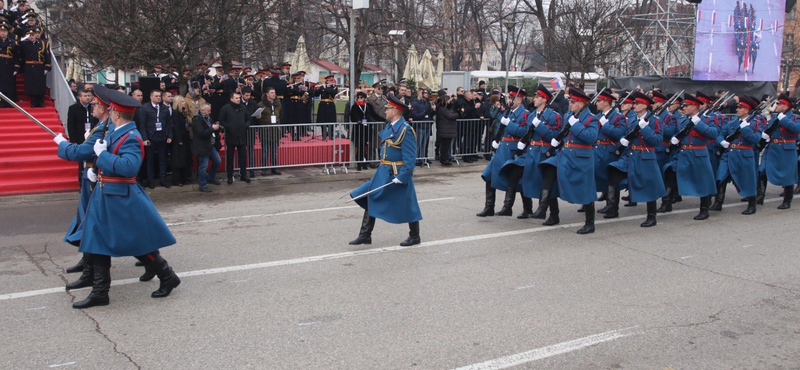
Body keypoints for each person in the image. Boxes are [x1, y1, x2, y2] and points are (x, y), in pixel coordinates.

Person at [73, 88, 180, 309]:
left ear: (118, 114)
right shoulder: (116, 132)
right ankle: (101, 291)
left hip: (121, 195)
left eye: (112, 110)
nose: (109, 113)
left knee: (136, 241)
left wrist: (102, 156)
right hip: (106, 194)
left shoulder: (131, 136)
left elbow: (128, 167)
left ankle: (167, 275)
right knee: (96, 240)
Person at [349, 94, 422, 246]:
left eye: (388, 109)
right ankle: (365, 234)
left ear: (395, 111)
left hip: (397, 173)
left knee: (408, 203)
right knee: (369, 196)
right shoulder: (390, 126)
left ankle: (415, 236)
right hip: (384, 171)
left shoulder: (405, 130)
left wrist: (403, 176)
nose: (386, 111)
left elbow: (410, 157)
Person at [54, 84, 111, 279]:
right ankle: (88, 264)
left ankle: (155, 264)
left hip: (96, 177)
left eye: (95, 103)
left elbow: (81, 152)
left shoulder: (103, 128)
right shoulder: (100, 127)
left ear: (103, 108)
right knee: (86, 220)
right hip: (90, 175)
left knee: (95, 222)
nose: (92, 106)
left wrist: (63, 145)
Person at [539, 86, 598, 234]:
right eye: (570, 101)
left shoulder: (592, 118)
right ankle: (551, 213)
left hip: (581, 157)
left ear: (581, 104)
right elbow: (563, 134)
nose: (570, 104)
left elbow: (591, 137)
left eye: (573, 102)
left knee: (587, 190)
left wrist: (576, 125)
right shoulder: (568, 116)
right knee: (548, 173)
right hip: (564, 155)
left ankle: (590, 223)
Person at [605, 92, 666, 227]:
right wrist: (623, 141)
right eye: (634, 103)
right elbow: (627, 135)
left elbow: (657, 140)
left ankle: (651, 216)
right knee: (614, 174)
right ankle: (612, 207)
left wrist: (645, 128)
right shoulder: (632, 120)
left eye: (637, 103)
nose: (634, 105)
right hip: (630, 155)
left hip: (645, 157)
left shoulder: (655, 120)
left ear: (645, 105)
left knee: (649, 186)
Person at [510, 84, 563, 223]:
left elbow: (554, 136)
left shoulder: (554, 116)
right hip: (531, 151)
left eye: (538, 97)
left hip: (545, 152)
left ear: (545, 99)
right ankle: (528, 209)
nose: (535, 99)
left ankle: (553, 214)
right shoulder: (532, 115)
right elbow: (527, 132)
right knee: (525, 179)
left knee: (547, 183)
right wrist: (522, 144)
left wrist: (539, 125)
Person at [663, 93, 718, 220]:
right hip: (684, 153)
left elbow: (713, 134)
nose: (684, 108)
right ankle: (668, 200)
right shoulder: (682, 120)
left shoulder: (705, 119)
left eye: (687, 106)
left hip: (699, 153)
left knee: (703, 181)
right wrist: (674, 139)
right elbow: (677, 133)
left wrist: (698, 123)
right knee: (671, 171)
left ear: (694, 107)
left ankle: (704, 209)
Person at [477, 86, 528, 217]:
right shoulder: (509, 112)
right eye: (509, 97)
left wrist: (509, 124)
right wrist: (498, 140)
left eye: (512, 97)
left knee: (518, 180)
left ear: (520, 100)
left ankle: (523, 208)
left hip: (513, 149)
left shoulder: (524, 114)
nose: (509, 100)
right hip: (502, 148)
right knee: (489, 175)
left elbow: (524, 132)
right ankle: (489, 207)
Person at [713, 95, 762, 215]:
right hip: (729, 154)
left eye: (740, 108)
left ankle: (752, 204)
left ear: (746, 110)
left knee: (747, 180)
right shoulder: (733, 122)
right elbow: (720, 134)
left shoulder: (755, 123)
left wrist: (745, 128)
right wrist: (722, 142)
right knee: (721, 177)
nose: (736, 110)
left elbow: (755, 140)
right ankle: (718, 202)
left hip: (745, 155)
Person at [758, 93, 800, 209]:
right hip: (772, 148)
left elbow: (796, 129)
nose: (776, 105)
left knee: (788, 176)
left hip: (786, 149)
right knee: (762, 170)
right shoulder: (776, 117)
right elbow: (769, 129)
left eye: (778, 104)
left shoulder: (795, 118)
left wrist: (784, 119)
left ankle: (787, 200)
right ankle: (760, 196)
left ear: (785, 106)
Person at [137, 89, 172, 188]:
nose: (158, 98)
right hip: (150, 138)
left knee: (162, 160)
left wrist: (169, 136)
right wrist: (144, 138)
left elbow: (169, 123)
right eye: (156, 96)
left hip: (162, 138)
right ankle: (150, 180)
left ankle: (163, 180)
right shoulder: (145, 108)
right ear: (151, 97)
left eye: (159, 96)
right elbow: (142, 125)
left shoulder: (164, 108)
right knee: (150, 160)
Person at [65, 88, 99, 184]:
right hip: (80, 137)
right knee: (81, 161)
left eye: (89, 96)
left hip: (92, 137)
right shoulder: (73, 109)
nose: (88, 98)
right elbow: (71, 125)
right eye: (85, 96)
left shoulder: (93, 108)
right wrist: (73, 140)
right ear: (79, 97)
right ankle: (82, 180)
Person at [219, 91, 251, 183]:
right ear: (231, 99)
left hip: (241, 135)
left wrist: (246, 125)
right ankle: (230, 175)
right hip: (231, 135)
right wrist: (228, 127)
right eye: (236, 98)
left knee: (243, 157)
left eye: (239, 98)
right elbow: (221, 120)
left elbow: (248, 119)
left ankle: (243, 175)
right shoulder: (226, 108)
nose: (238, 100)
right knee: (230, 157)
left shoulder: (243, 108)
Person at [191, 103, 221, 192]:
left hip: (210, 144)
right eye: (208, 110)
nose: (210, 112)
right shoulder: (197, 120)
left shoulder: (208, 118)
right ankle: (202, 184)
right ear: (202, 111)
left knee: (217, 161)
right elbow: (201, 133)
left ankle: (210, 177)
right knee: (203, 166)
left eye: (210, 110)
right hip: (202, 146)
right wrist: (212, 128)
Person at [350, 91, 382, 171]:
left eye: (361, 98)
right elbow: (352, 116)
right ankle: (359, 164)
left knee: (365, 147)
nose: (359, 99)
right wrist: (358, 120)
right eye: (358, 97)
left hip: (366, 129)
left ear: (364, 98)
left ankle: (364, 163)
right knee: (359, 147)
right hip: (358, 129)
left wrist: (383, 119)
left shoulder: (368, 106)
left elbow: (374, 115)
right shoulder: (354, 106)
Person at [19, 28, 50, 108]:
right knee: (31, 85)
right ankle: (33, 101)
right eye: (29, 35)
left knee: (40, 84)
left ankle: (40, 101)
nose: (31, 37)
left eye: (33, 35)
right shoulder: (24, 44)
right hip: (29, 66)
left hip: (39, 66)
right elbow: (18, 50)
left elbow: (46, 55)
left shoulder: (42, 44)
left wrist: (47, 66)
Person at [256, 87, 284, 175]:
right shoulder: (261, 105)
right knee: (265, 150)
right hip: (265, 131)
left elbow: (281, 115)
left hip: (275, 130)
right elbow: (258, 118)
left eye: (274, 92)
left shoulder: (278, 104)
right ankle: (264, 169)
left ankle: (274, 168)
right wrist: (259, 118)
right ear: (267, 94)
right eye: (271, 93)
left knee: (274, 151)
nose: (273, 94)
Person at [169, 92, 192, 186]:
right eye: (182, 101)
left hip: (185, 138)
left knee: (184, 159)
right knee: (178, 160)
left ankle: (184, 178)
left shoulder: (183, 113)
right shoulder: (175, 114)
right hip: (179, 140)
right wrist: (179, 140)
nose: (184, 103)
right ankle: (177, 179)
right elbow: (176, 128)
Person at [409, 88, 435, 166]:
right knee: (418, 144)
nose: (425, 94)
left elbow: (429, 114)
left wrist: (433, 111)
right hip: (420, 126)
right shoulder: (415, 103)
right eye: (423, 93)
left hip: (426, 125)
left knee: (424, 144)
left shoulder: (426, 103)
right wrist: (424, 113)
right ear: (418, 93)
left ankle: (422, 158)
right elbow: (415, 115)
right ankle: (417, 159)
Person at [434, 91, 458, 167]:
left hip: (447, 129)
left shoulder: (446, 108)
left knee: (446, 145)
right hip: (445, 129)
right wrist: (458, 113)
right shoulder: (442, 109)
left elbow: (451, 111)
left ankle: (445, 158)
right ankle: (444, 159)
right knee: (444, 146)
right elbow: (450, 116)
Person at [0, 22, 19, 108]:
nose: (3, 33)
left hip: (9, 65)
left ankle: (10, 101)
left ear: (7, 32)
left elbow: (16, 56)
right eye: (1, 31)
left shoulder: (12, 42)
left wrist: (16, 67)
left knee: (10, 84)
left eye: (4, 31)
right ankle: (2, 102)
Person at [315, 75, 339, 141]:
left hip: (330, 104)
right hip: (323, 105)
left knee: (331, 120)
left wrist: (325, 88)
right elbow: (316, 94)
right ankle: (324, 136)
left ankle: (331, 135)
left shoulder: (334, 87)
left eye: (332, 80)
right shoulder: (322, 87)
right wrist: (317, 89)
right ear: (327, 81)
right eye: (330, 80)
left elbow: (333, 92)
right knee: (323, 120)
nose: (331, 82)